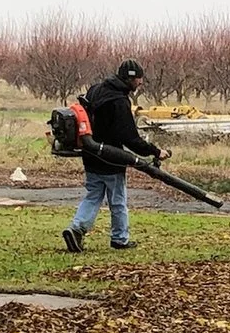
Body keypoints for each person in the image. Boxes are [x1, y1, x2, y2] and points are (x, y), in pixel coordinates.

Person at [62, 59, 158, 253]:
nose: (140, 83)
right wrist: (155, 151)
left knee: (93, 196)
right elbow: (130, 138)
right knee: (118, 201)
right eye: (139, 79)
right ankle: (120, 239)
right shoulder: (120, 101)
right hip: (111, 158)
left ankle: (76, 229)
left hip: (90, 155)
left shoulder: (95, 89)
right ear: (131, 79)